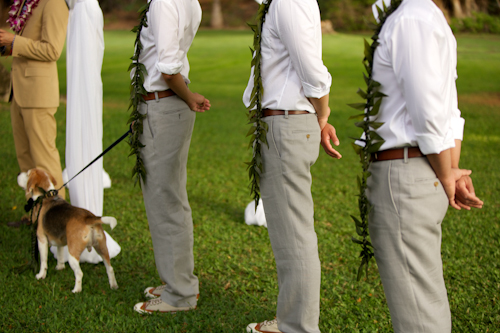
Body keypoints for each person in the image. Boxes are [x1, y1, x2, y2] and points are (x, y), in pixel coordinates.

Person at [365, 0, 484, 332]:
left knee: (418, 313)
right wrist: (450, 168)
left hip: (405, 174)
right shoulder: (428, 17)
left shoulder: (411, 18)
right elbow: (450, 109)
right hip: (423, 169)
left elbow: (429, 111)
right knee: (425, 302)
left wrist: (447, 172)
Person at [243, 0, 341, 332]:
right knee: (288, 234)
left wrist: (322, 114)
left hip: (286, 125)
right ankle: (292, 320)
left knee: (295, 235)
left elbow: (313, 71)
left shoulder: (288, 0)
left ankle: (297, 326)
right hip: (283, 123)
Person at [132, 0, 210, 314]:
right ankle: (175, 280)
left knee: (166, 201)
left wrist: (188, 96)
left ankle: (180, 294)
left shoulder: (166, 1)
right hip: (165, 105)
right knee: (167, 199)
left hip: (165, 105)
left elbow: (167, 66)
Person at [51, 0, 121, 264]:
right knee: (80, 142)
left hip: (84, 100)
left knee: (84, 141)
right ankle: (82, 222)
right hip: (82, 98)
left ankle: (86, 224)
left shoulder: (85, 10)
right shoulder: (81, 9)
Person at [0, 0, 68, 200]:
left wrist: (14, 41)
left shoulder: (54, 3)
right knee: (26, 160)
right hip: (18, 91)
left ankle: (55, 217)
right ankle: (35, 215)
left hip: (38, 93)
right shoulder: (25, 3)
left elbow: (52, 49)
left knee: (44, 159)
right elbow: (22, 47)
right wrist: (5, 46)